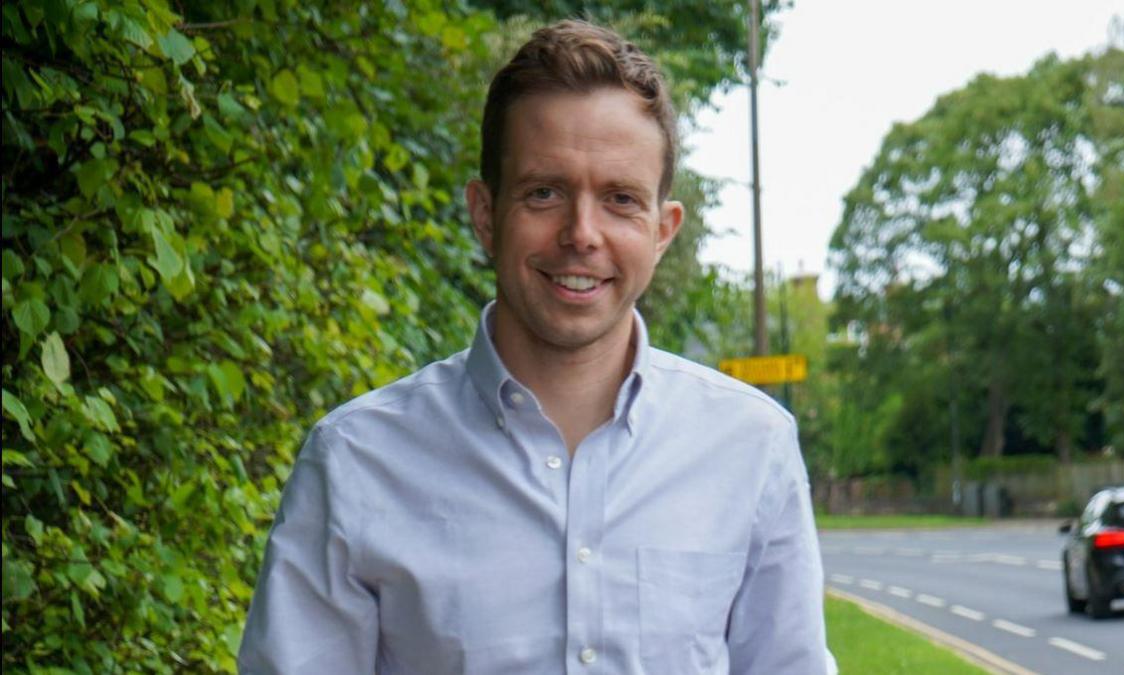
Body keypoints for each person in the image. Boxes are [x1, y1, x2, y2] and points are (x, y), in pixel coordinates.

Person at [239, 19, 831, 674]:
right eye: (544, 192)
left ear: (663, 231)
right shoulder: (354, 463)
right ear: (486, 214)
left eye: (620, 199)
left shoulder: (751, 449)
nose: (582, 234)